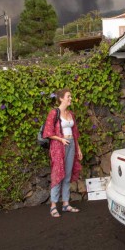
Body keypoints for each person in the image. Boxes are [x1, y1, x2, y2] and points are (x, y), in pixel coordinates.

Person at [42, 88, 83, 218]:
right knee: (58, 174)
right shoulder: (54, 113)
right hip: (59, 147)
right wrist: (61, 139)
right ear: (61, 98)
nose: (70, 98)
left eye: (70, 96)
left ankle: (66, 204)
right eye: (68, 96)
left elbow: (75, 134)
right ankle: (53, 205)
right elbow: (48, 133)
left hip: (71, 145)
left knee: (67, 175)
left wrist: (78, 149)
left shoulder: (70, 114)